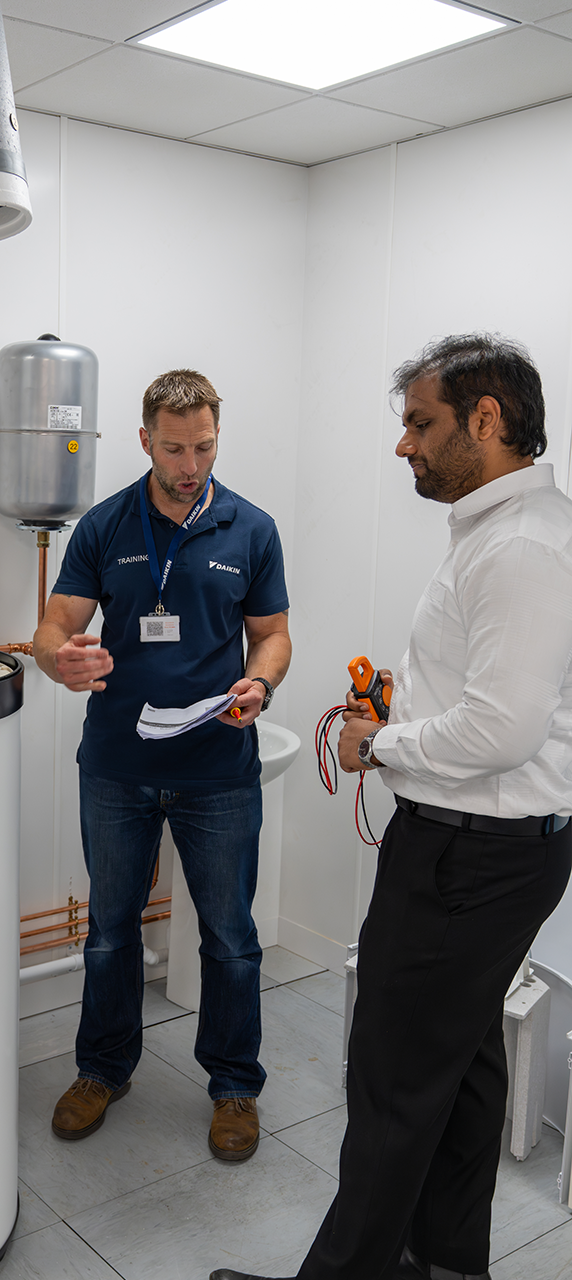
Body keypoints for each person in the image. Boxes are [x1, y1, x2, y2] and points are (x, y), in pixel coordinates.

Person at [212, 334, 572, 1280]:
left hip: (468, 856)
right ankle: (443, 1262)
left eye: (420, 422)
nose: (404, 444)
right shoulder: (505, 532)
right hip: (493, 849)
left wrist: (380, 743)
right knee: (462, 1065)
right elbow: (487, 696)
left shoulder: (521, 547)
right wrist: (403, 707)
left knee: (393, 1078)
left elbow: (501, 731)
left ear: (485, 420)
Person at [32, 369, 291, 1161]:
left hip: (218, 766)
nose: (190, 465)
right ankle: (102, 1070)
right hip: (117, 766)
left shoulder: (252, 528)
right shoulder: (105, 525)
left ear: (217, 437)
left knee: (230, 937)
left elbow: (272, 635)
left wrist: (261, 683)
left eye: (204, 447)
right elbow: (53, 625)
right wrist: (60, 661)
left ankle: (234, 1085)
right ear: (145, 440)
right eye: (175, 449)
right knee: (110, 931)